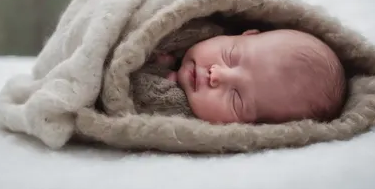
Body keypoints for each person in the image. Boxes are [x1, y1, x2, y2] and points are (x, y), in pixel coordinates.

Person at [134, 27, 346, 125]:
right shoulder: (200, 25)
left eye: (236, 99)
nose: (216, 75)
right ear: (244, 33)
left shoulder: (178, 116)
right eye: (231, 55)